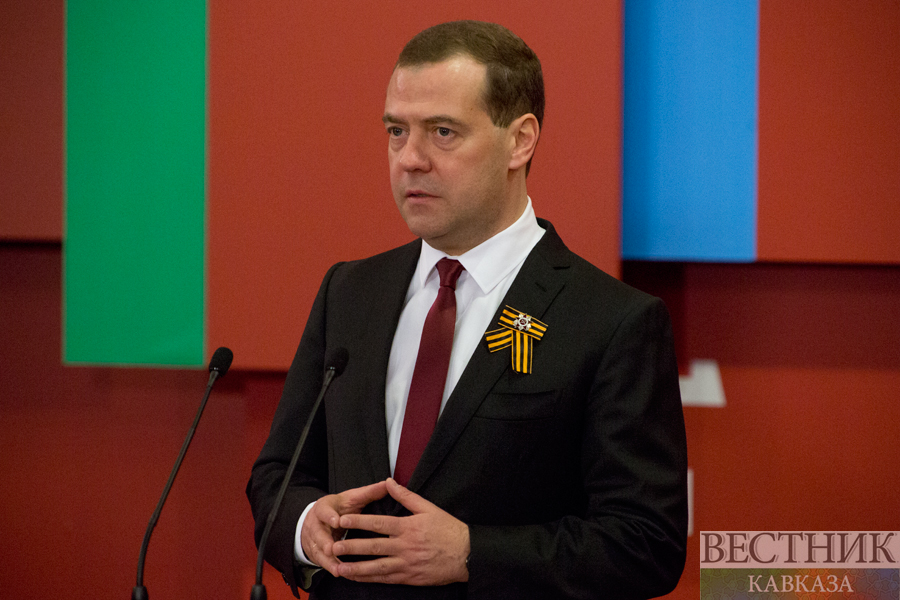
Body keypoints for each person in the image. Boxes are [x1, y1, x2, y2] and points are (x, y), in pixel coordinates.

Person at [247, 20, 687, 600]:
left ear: (520, 140)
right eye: (396, 131)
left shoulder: (611, 321)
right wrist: (307, 527)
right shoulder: (349, 292)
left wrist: (472, 554)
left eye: (443, 132)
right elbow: (279, 476)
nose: (410, 159)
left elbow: (645, 542)